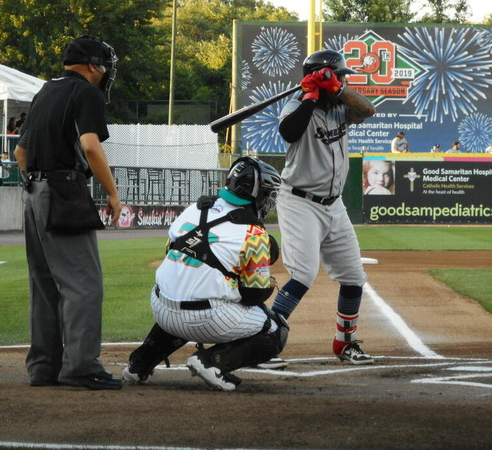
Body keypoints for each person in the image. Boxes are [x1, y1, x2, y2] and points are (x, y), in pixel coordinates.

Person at [122, 157, 288, 391]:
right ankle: (212, 362)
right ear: (256, 193)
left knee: (183, 295)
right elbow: (255, 293)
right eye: (268, 194)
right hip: (205, 319)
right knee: (275, 329)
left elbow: (172, 252)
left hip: (160, 308)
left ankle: (139, 364)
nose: (270, 201)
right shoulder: (255, 233)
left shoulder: (195, 207)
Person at [14, 35, 122, 390]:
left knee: (44, 286)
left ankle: (43, 369)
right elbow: (90, 146)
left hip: (34, 193)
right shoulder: (85, 92)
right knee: (84, 285)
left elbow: (20, 153)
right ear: (92, 65)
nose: (105, 72)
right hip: (62, 191)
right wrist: (112, 192)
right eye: (104, 65)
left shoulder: (46, 91)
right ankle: (81, 367)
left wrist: (38, 186)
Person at [275, 49, 376, 365]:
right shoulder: (296, 106)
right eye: (338, 76)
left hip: (334, 205)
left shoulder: (341, 108)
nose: (342, 81)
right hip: (299, 202)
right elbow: (288, 131)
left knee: (353, 277)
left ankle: (345, 343)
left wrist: (339, 89)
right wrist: (310, 95)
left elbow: (368, 110)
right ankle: (263, 339)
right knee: (303, 274)